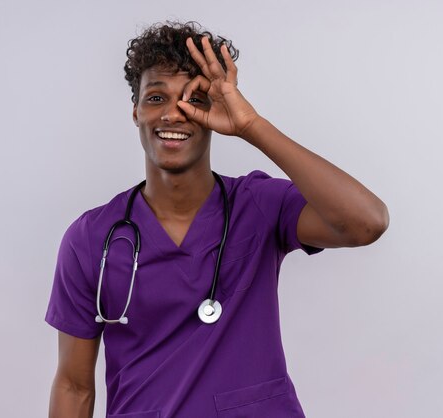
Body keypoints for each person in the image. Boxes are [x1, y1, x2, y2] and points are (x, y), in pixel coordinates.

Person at [45, 21, 389, 418]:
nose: (174, 114)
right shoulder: (92, 238)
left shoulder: (259, 205)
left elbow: (367, 222)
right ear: (136, 112)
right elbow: (73, 386)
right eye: (156, 97)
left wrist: (250, 126)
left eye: (194, 99)